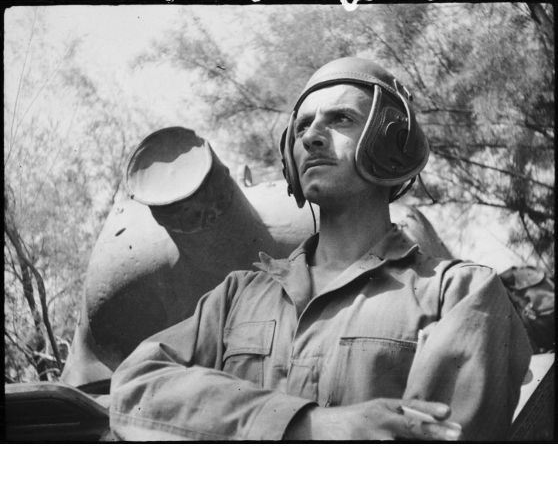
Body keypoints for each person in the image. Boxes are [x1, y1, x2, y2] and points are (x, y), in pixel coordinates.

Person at [109, 57, 532, 441]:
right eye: (301, 126)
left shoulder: (459, 294)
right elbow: (136, 387)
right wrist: (304, 423)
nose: (312, 135)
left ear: (391, 144)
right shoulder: (238, 297)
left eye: (341, 119)